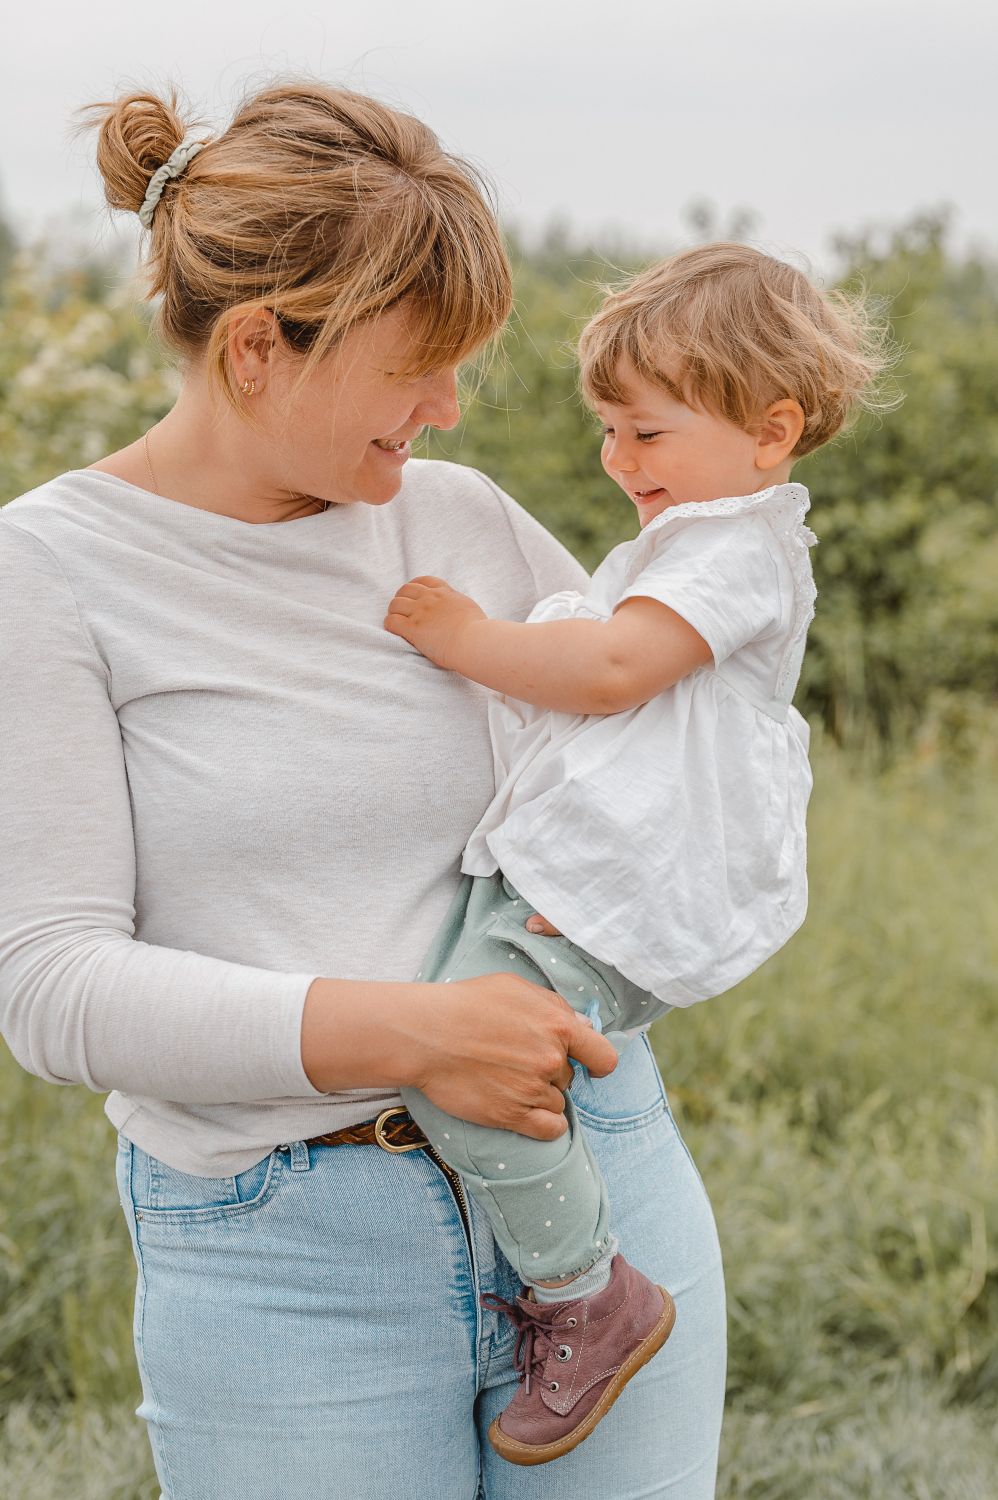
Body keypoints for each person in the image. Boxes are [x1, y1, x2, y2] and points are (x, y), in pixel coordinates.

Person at [0, 80, 728, 1499]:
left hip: (597, 1177)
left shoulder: (454, 519)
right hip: (284, 1257)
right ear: (260, 346)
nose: (447, 411)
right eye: (417, 368)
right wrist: (421, 1031)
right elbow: (50, 984)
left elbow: (652, 774)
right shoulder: (49, 573)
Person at [386, 244, 893, 1463]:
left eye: (647, 434)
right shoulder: (699, 541)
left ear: (769, 432)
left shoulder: (738, 552)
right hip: (581, 883)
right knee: (446, 1038)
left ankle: (583, 1295)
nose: (618, 462)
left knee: (458, 1066)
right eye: (608, 431)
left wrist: (467, 638)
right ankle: (564, 1285)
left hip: (618, 896)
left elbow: (613, 676)